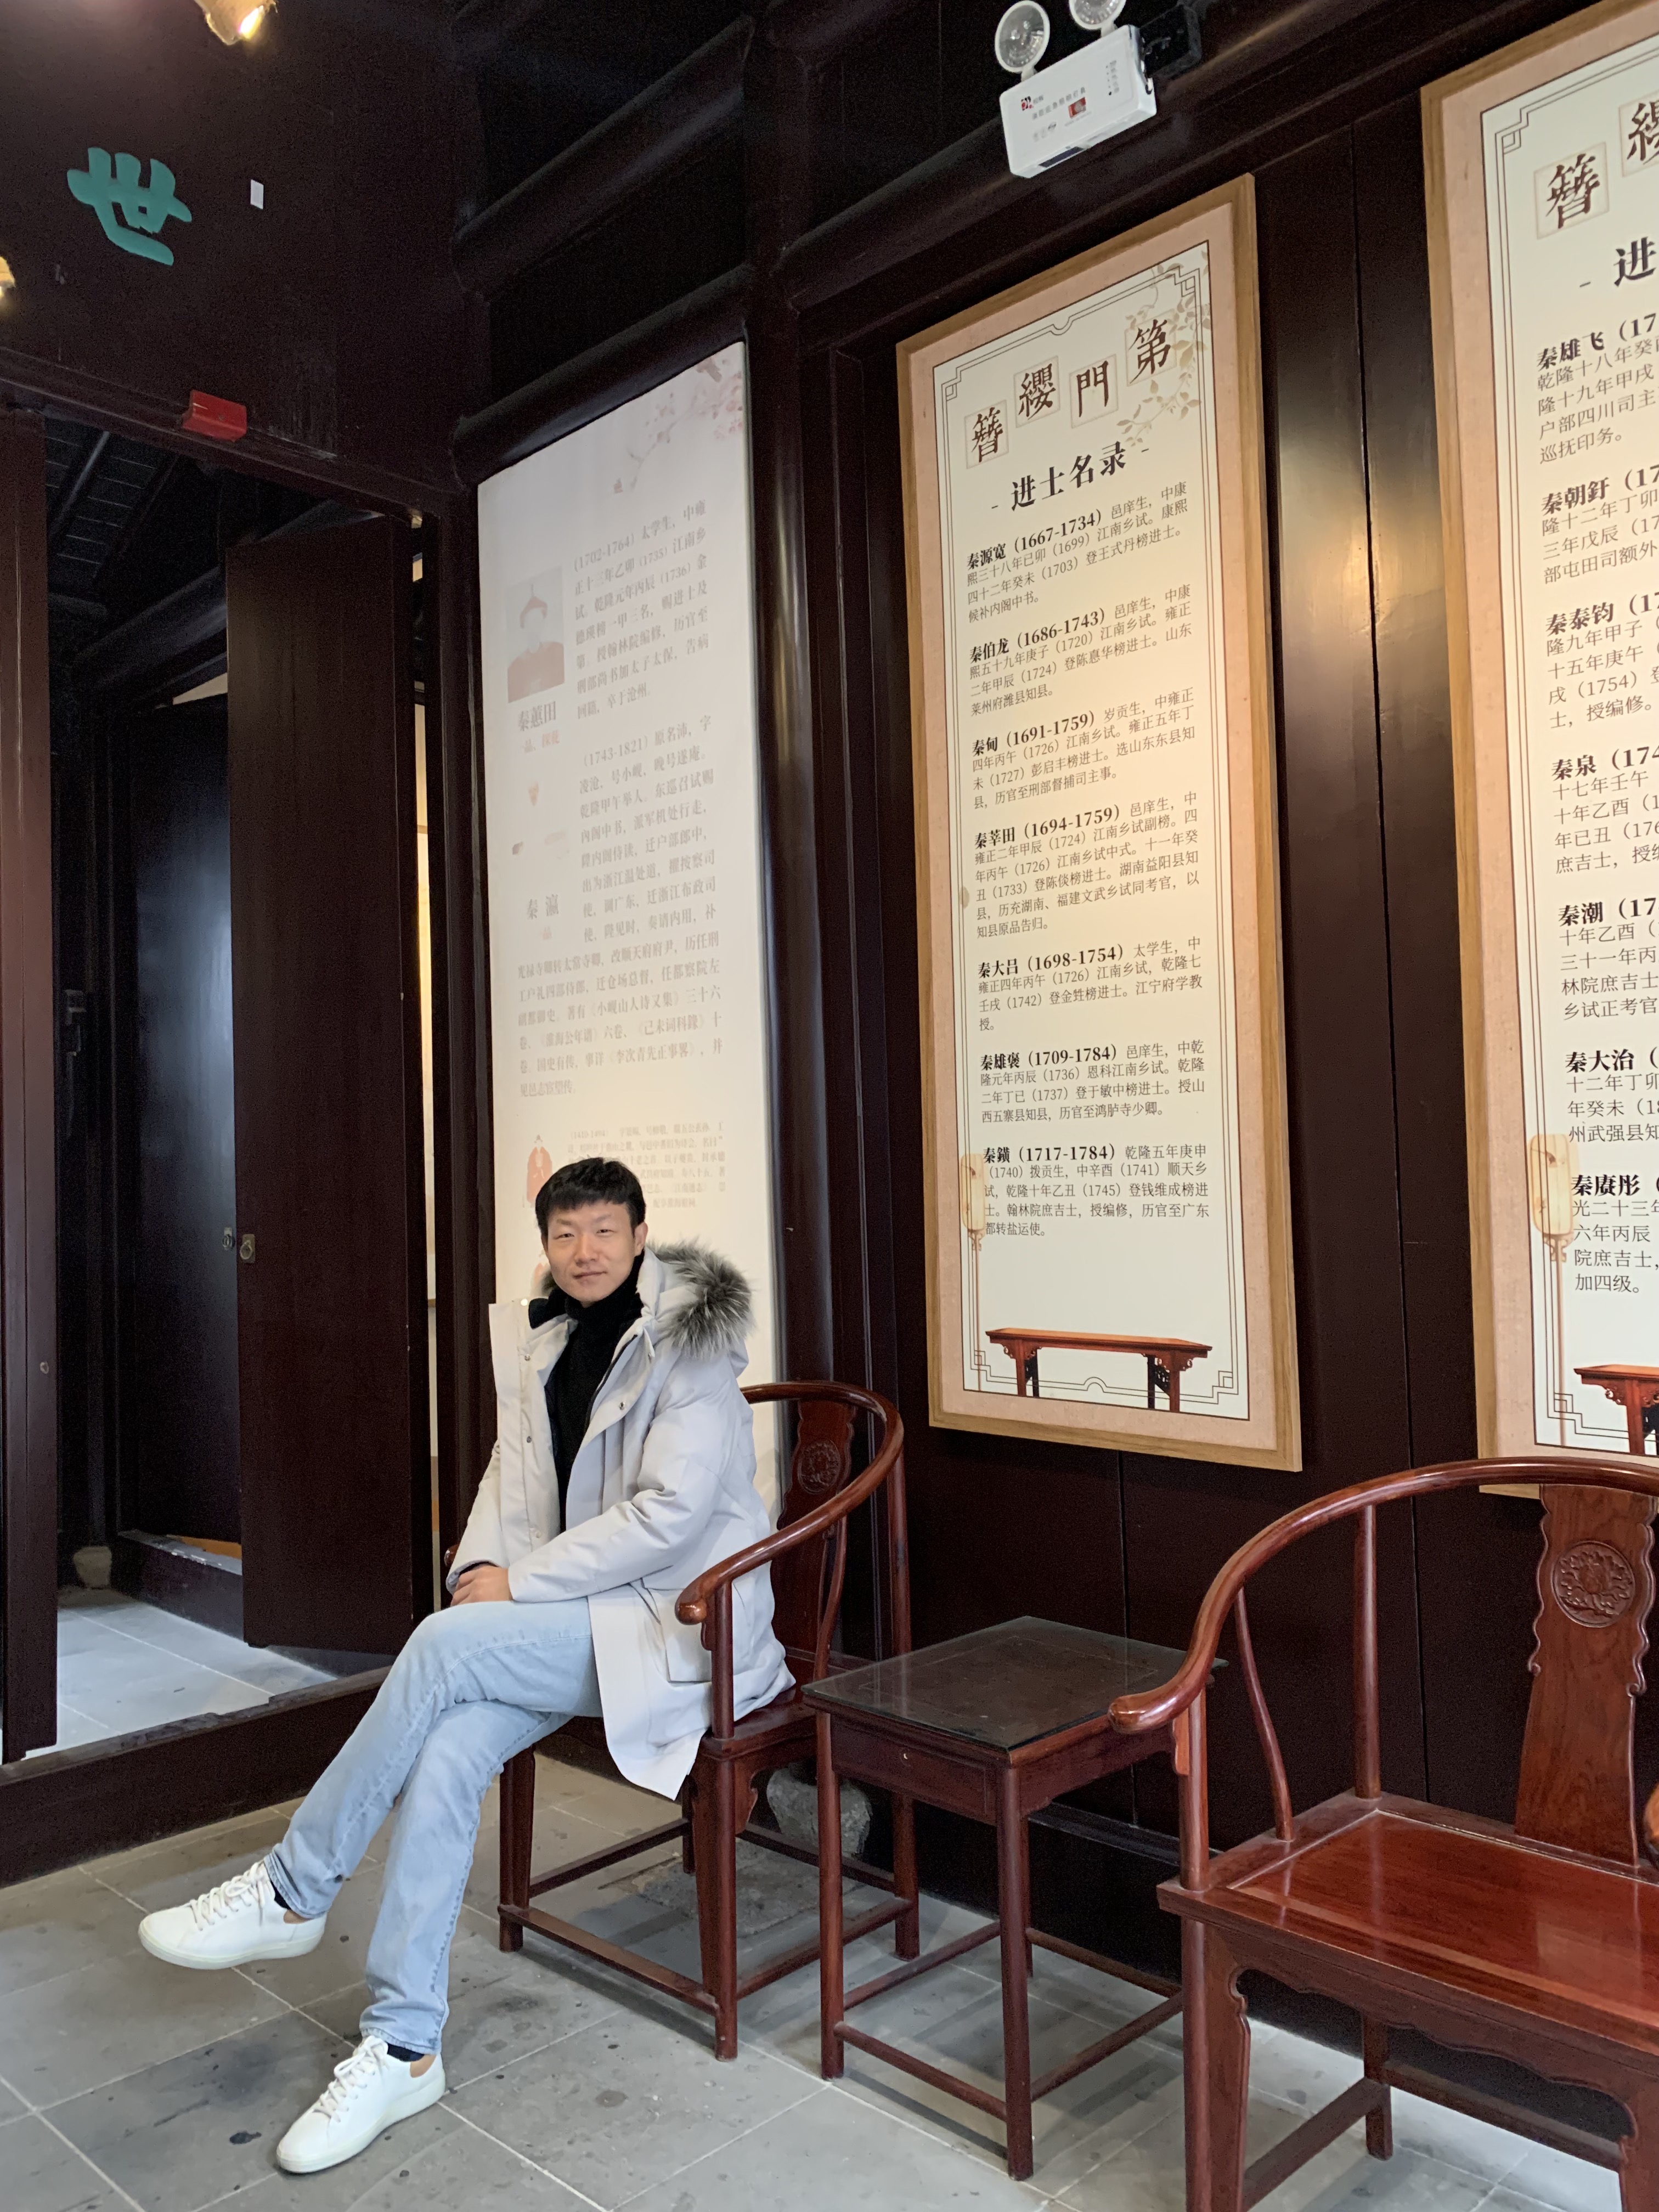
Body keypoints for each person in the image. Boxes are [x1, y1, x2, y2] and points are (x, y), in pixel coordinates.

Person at [137, 1156, 793, 2175]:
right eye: (565, 1233)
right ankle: (404, 2046)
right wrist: (480, 1566)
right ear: (547, 1244)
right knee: (445, 1751)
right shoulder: (544, 1339)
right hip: (579, 1616)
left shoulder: (691, 1347)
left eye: (605, 1231)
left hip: (678, 1627)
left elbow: (668, 1520)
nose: (585, 1251)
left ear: (640, 1237)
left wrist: (516, 1585)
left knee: (442, 1646)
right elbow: (508, 1474)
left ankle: (293, 1890)